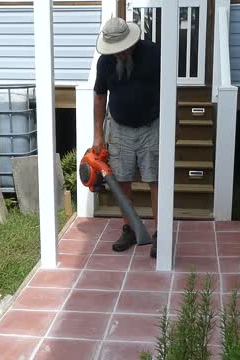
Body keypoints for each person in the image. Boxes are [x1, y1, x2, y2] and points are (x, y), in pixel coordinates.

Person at [93, 17, 161, 258]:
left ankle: (159, 235)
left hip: (151, 125)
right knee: (122, 180)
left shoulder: (153, 54)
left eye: (124, 50)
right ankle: (130, 229)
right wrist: (98, 134)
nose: (120, 55)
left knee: (155, 180)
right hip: (120, 127)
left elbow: (169, 89)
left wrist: (175, 123)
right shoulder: (105, 63)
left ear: (133, 43)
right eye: (116, 52)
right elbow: (100, 97)